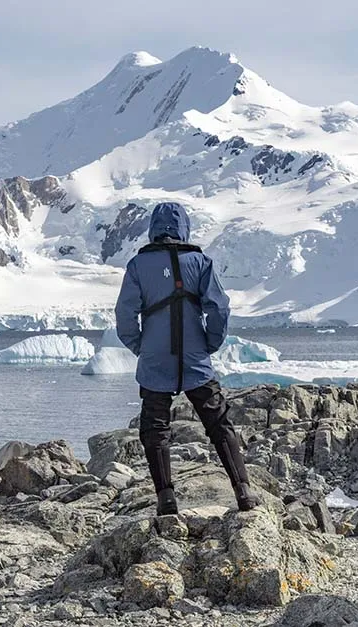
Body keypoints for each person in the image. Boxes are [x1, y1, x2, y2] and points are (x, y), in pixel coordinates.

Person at [114, 202, 259, 516]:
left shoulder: (138, 267)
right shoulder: (201, 262)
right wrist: (209, 343)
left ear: (153, 228)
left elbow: (125, 316)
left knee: (154, 429)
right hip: (195, 359)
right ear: (184, 228)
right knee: (219, 423)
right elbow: (218, 309)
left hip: (155, 360)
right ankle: (244, 492)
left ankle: (166, 500)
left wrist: (141, 347)